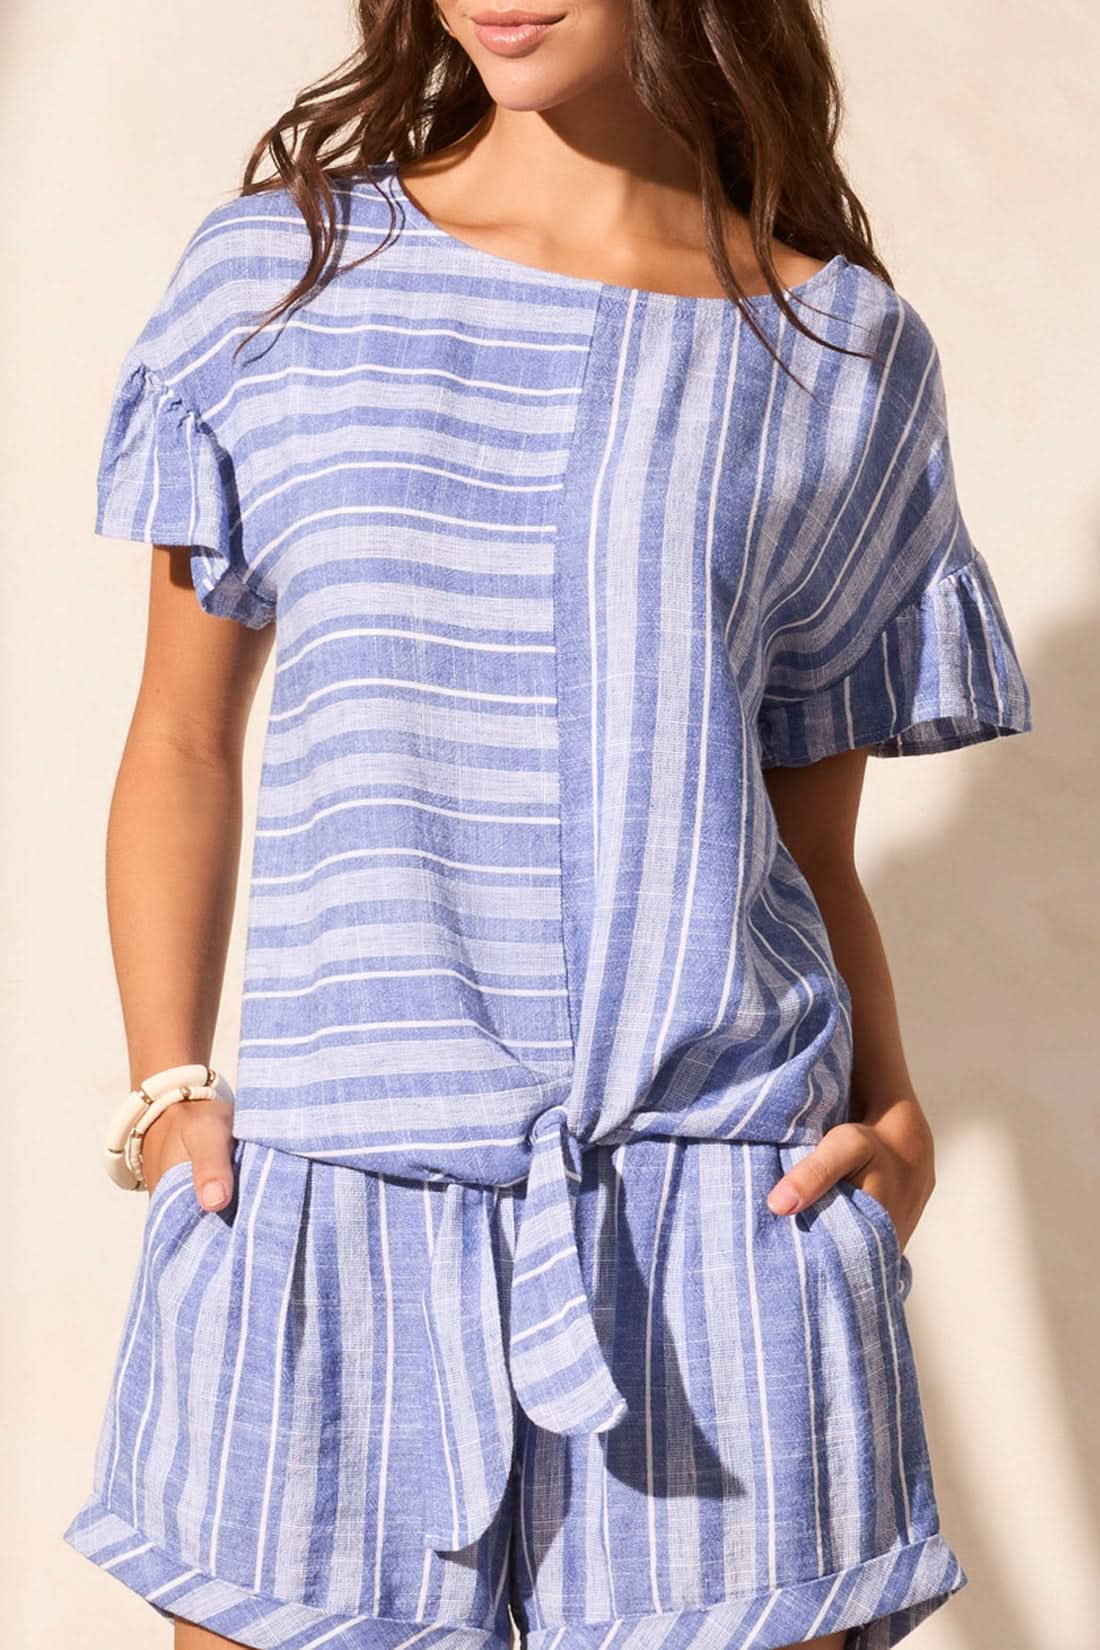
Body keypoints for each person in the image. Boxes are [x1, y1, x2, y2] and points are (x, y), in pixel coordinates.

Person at [64, 3, 1034, 1648]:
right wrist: (169, 1098)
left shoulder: (842, 355)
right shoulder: (281, 279)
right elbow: (178, 738)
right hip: (327, 1222)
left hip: (728, 1234)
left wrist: (897, 1117)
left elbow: (808, 849)